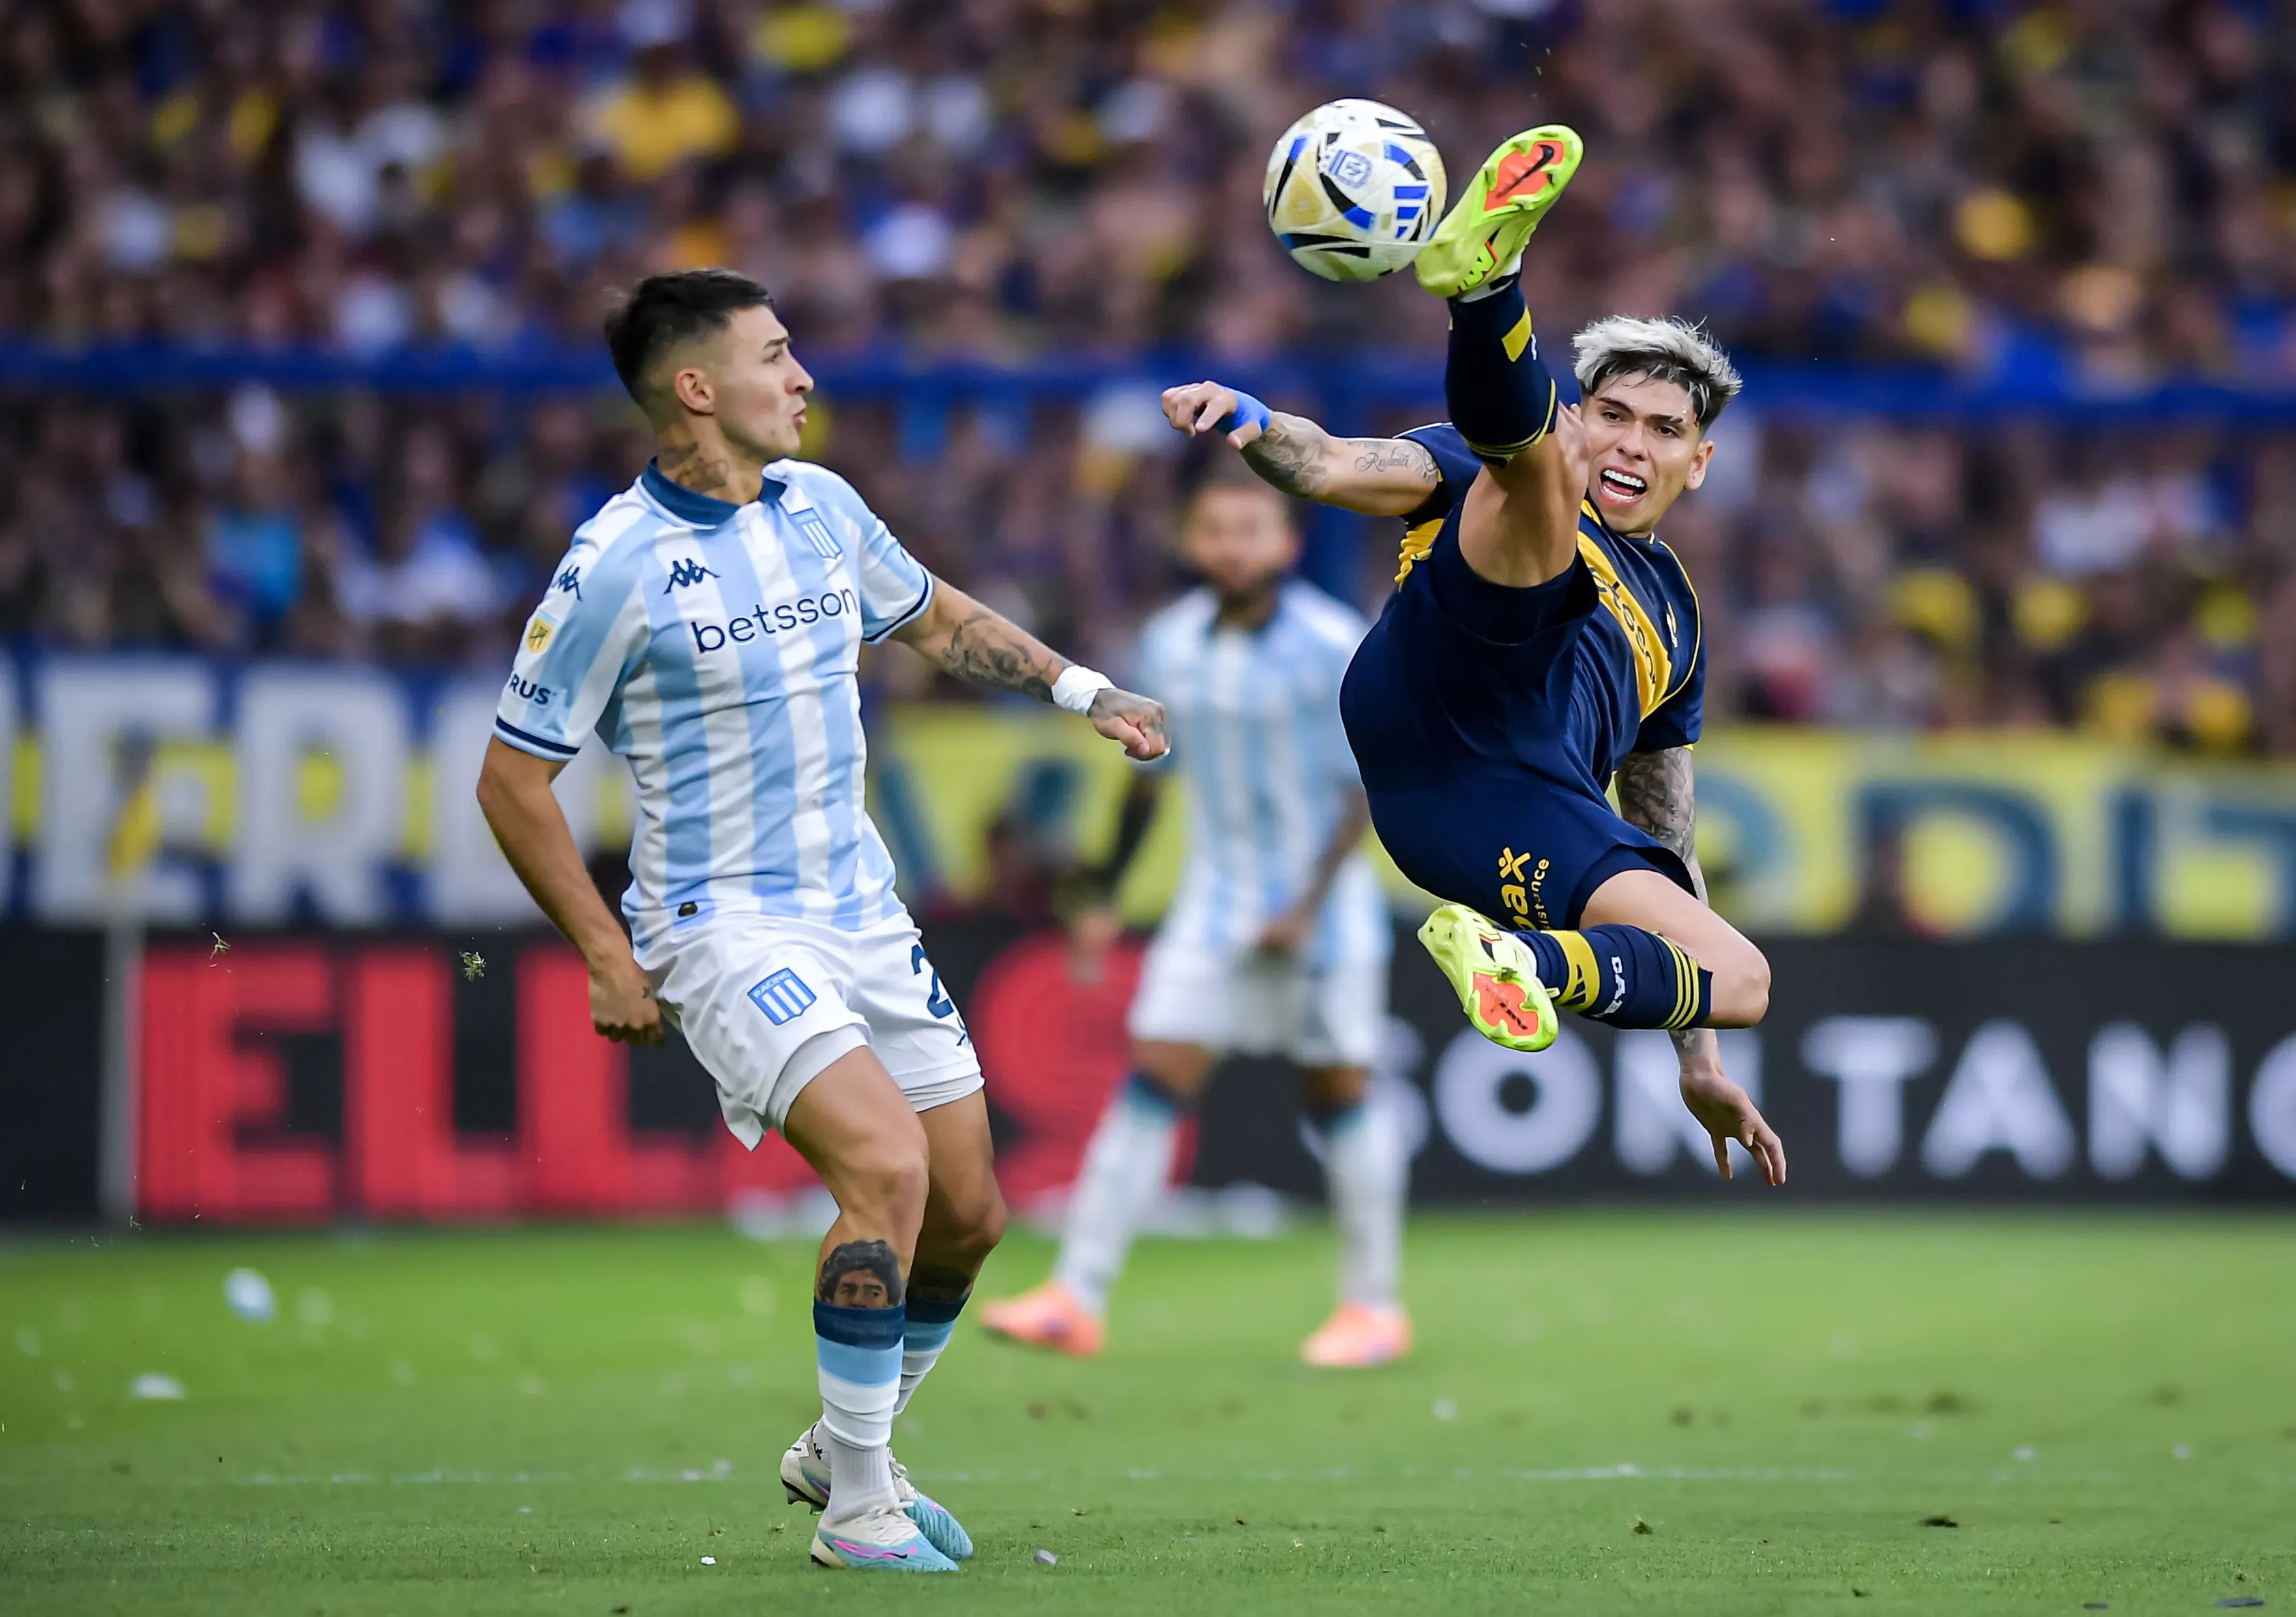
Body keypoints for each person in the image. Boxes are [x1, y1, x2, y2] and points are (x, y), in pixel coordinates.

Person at [475, 269, 1168, 1574]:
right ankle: (859, 1511)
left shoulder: (821, 507)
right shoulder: (614, 565)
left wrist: (1084, 689)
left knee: (968, 1213)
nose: (803, 378)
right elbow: (513, 780)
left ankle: (844, 1445)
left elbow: (939, 619)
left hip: (858, 904)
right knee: (887, 1171)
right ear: (697, 388)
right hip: (721, 925)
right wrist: (609, 955)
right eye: (777, 355)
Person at [1160, 126, 1787, 1188]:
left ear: (1701, 459)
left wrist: (1699, 1062)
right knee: (1534, 480)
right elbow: (1327, 464)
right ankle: (1485, 288)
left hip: (1505, 813)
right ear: (1585, 412)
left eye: (1664, 430)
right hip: (1440, 684)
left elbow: (1662, 825)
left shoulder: (1678, 620)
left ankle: (1517, 965)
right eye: (1615, 415)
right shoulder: (1492, 463)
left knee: (1742, 975)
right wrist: (1255, 420)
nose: (1632, 445)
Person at [979, 468, 1410, 1369]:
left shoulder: (1335, 644)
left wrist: (1303, 907)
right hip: (1213, 906)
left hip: (1321, 919)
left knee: (1338, 1097)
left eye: (1251, 529)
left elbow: (1364, 789)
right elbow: (1152, 778)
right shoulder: (1170, 643)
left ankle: (1373, 1307)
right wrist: (1102, 890)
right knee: (1150, 1078)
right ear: (1191, 542)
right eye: (1216, 529)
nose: (1232, 545)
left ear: (1287, 545)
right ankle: (1075, 1296)